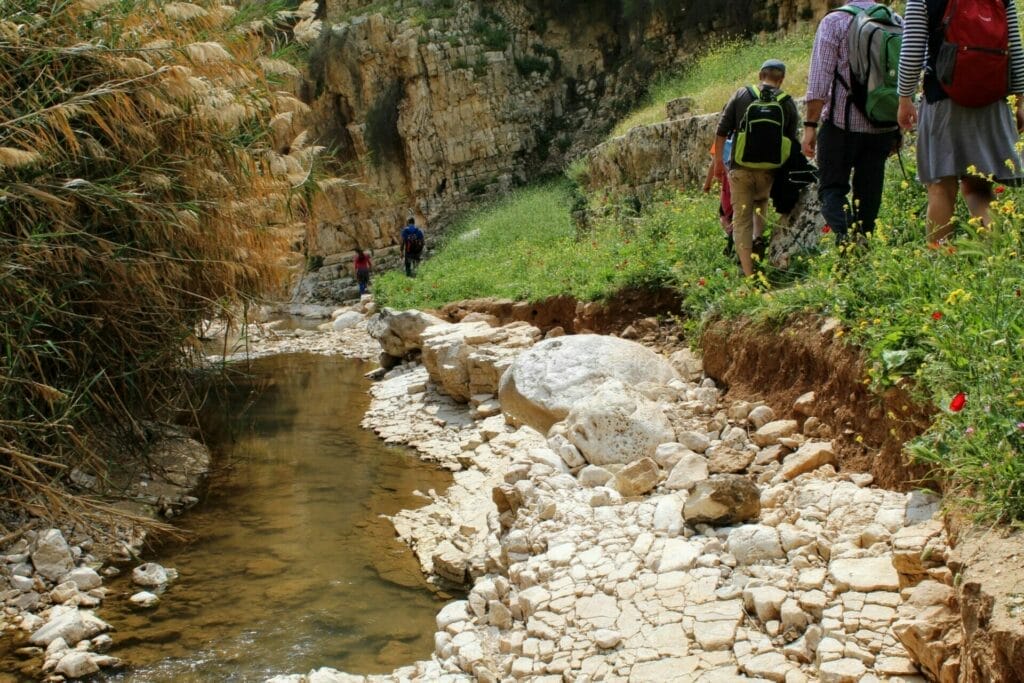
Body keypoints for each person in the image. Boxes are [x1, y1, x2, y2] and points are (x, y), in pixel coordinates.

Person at [896, 0, 1024, 243]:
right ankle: (998, 254)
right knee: (978, 189)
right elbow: (1015, 50)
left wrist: (904, 98)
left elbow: (912, 50)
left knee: (940, 187)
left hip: (943, 101)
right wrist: (1019, 101)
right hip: (992, 102)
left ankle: (940, 259)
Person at [803, 1, 903, 244]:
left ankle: (848, 238)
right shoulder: (895, 21)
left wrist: (810, 126)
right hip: (883, 125)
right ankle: (859, 252)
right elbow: (905, 77)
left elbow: (819, 82)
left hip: (841, 126)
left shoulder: (834, 22)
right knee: (869, 196)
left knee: (831, 191)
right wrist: (898, 126)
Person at [712, 59, 799, 277]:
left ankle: (749, 274)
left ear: (760, 76)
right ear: (781, 79)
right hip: (770, 171)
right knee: (760, 201)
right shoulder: (786, 102)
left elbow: (721, 131)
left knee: (742, 220)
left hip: (740, 168)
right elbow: (791, 141)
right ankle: (758, 238)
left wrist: (719, 164)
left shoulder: (742, 95)